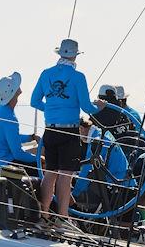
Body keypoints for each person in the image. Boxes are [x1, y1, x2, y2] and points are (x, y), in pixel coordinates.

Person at [31, 39, 105, 222]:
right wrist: (101, 107)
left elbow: (34, 101)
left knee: (50, 174)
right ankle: (62, 218)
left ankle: (44, 215)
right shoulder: (78, 77)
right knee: (65, 177)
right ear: (75, 55)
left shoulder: (45, 74)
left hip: (50, 130)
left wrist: (51, 110)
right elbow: (87, 107)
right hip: (69, 132)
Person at [0, 71, 40, 176]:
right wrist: (39, 160)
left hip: (0, 163)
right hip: (10, 164)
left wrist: (30, 137)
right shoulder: (10, 118)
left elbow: (10, 137)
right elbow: (18, 154)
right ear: (14, 92)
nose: (21, 90)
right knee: (49, 169)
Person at [72, 119, 132, 200]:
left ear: (81, 128)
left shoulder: (96, 140)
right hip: (125, 182)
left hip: (117, 187)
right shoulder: (101, 134)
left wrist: (74, 194)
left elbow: (87, 169)